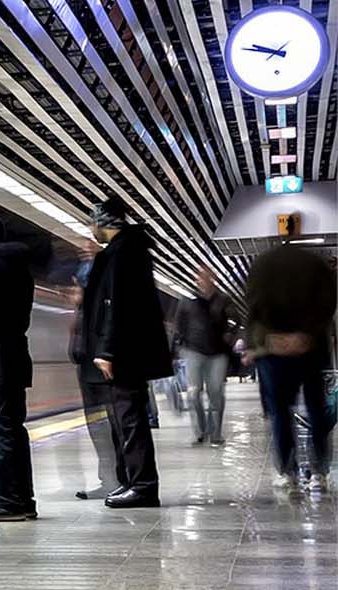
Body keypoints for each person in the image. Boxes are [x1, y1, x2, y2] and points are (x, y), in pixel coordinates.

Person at [76, 197, 170, 508]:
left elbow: (115, 304)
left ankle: (142, 485)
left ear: (105, 223)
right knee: (125, 418)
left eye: (94, 223)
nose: (92, 229)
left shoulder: (123, 252)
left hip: (124, 353)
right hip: (126, 351)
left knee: (130, 419)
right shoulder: (124, 251)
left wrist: (107, 351)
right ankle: (133, 481)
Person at [241, 243, 336, 492]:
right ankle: (320, 473)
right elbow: (328, 302)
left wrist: (268, 338)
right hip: (311, 346)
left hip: (274, 348)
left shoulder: (261, 265)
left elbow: (254, 305)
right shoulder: (315, 264)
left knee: (281, 412)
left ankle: (288, 473)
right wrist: (305, 333)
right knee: (316, 409)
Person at [0, 215, 54, 522]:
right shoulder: (19, 267)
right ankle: (21, 498)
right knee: (12, 430)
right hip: (13, 358)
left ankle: (11, 500)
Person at [67, 254, 118, 499]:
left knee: (107, 428)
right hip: (87, 372)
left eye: (77, 285)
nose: (73, 290)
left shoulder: (96, 309)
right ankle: (109, 480)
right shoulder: (83, 309)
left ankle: (116, 480)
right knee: (99, 429)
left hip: (98, 372)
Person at [174, 265, 233, 446]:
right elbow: (179, 324)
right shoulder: (187, 300)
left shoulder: (223, 299)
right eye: (199, 277)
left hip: (218, 353)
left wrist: (229, 335)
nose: (202, 280)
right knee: (193, 393)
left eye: (207, 277)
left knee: (215, 392)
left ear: (213, 279)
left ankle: (215, 434)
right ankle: (200, 431)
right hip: (193, 351)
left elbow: (233, 321)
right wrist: (179, 348)